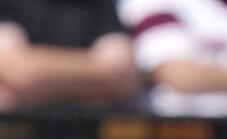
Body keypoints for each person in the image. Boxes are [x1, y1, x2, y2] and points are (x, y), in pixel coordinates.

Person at [0, 0, 139, 110]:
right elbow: (18, 71)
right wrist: (95, 75)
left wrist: (37, 72)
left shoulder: (97, 6)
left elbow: (122, 75)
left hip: (90, 134)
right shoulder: (10, 5)